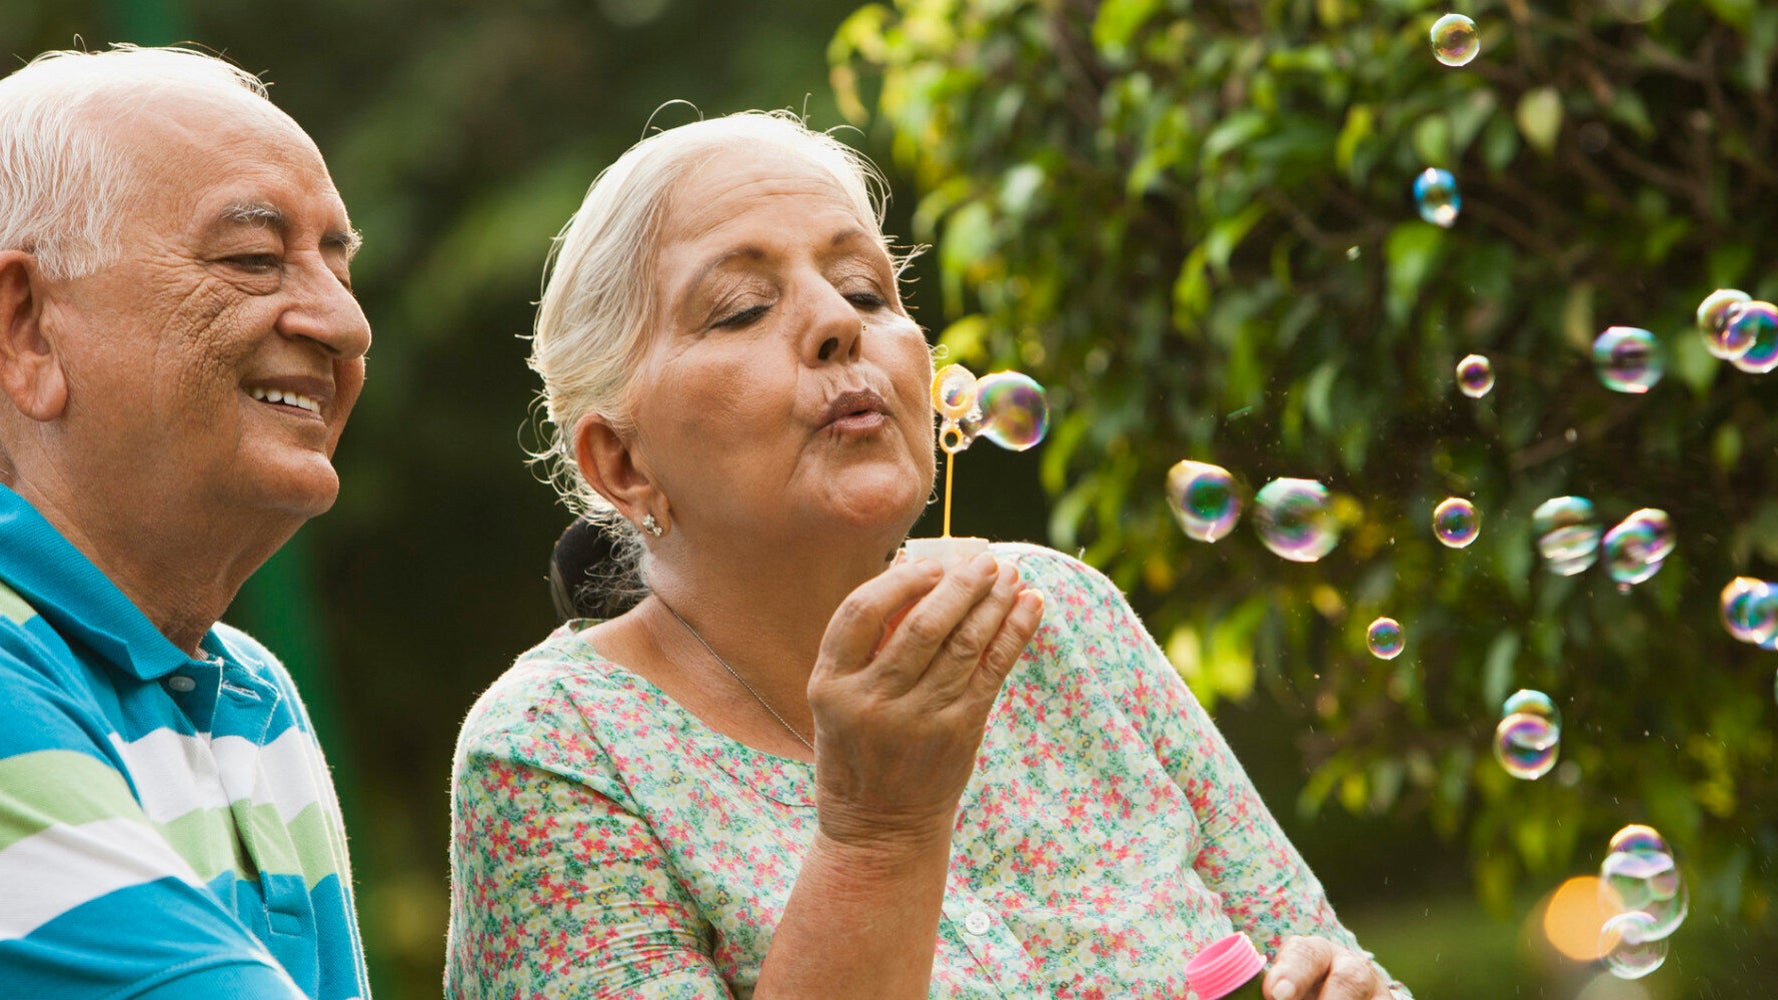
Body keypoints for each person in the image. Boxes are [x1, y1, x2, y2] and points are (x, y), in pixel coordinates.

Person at [448, 110, 1409, 1000]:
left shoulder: (1055, 614)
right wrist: (877, 833)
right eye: (741, 308)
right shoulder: (557, 751)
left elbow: (1315, 948)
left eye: (865, 289)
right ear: (622, 463)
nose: (840, 323)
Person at [0, 46, 372, 999]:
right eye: (254, 259)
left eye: (338, 265)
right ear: (25, 329)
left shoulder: (252, 694)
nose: (346, 324)